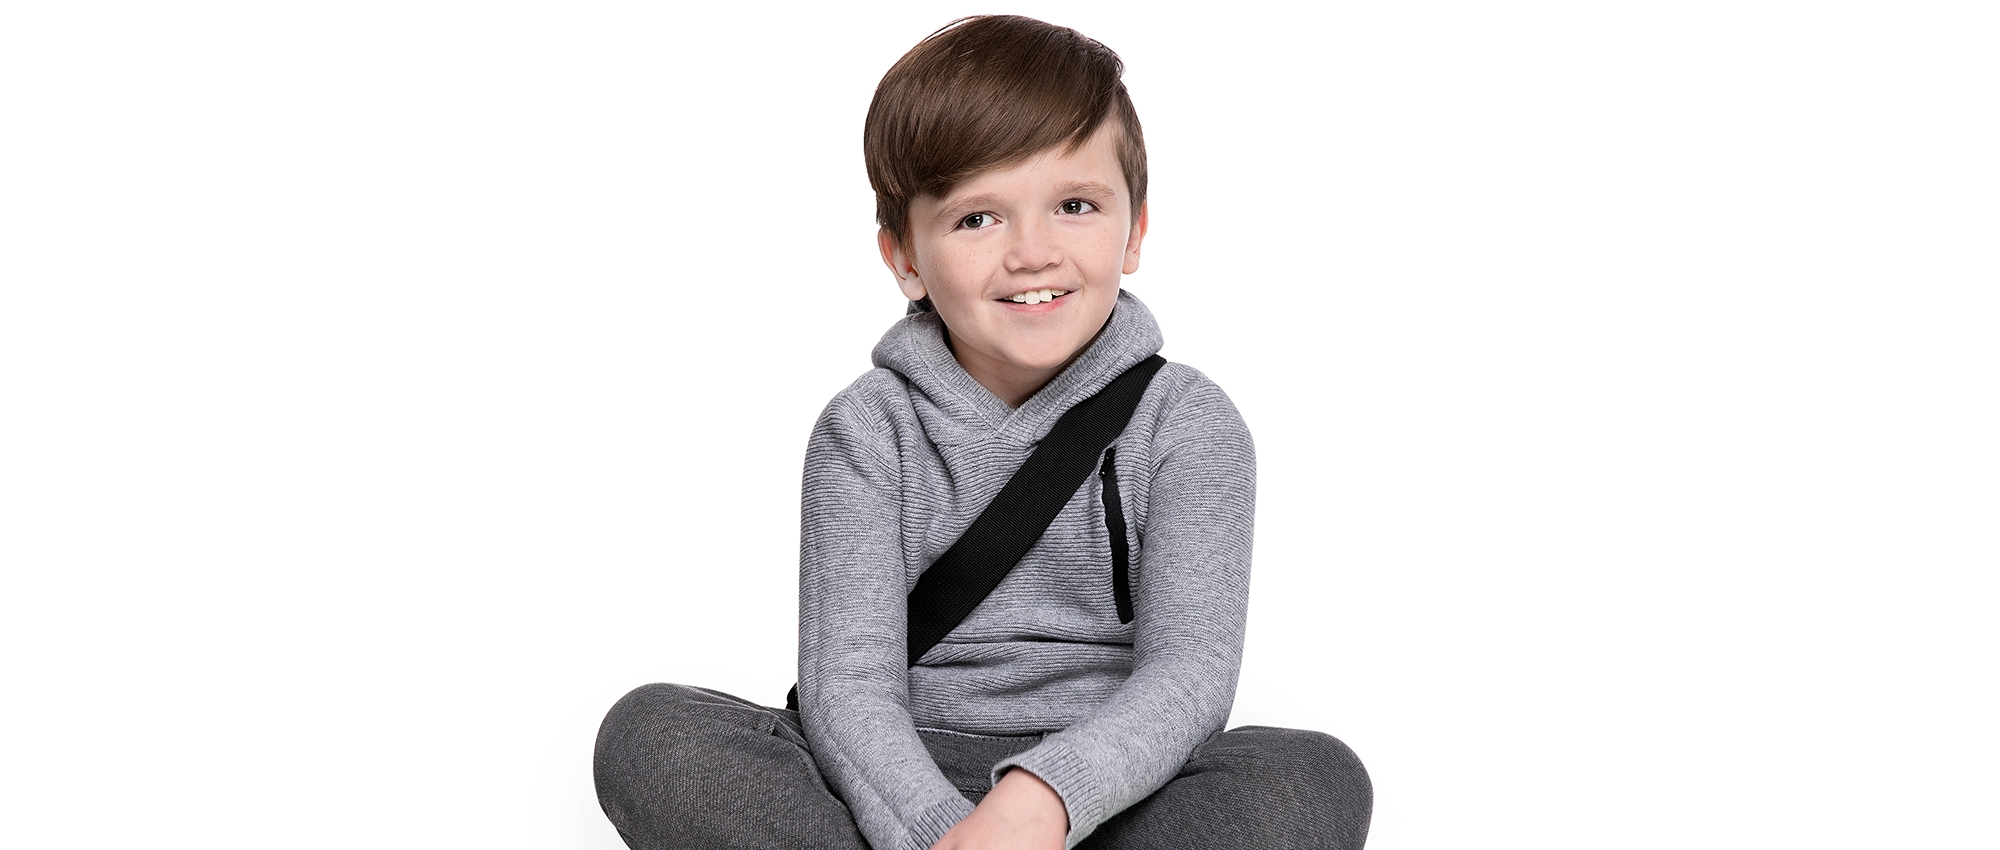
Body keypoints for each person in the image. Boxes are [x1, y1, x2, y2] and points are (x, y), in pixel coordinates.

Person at [594, 15, 1372, 850]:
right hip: (897, 783)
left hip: (1106, 791)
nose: (1032, 253)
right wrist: (944, 833)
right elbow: (849, 690)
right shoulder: (867, 429)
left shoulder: (1187, 422)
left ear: (1135, 231)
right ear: (904, 257)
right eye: (977, 220)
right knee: (652, 732)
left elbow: (1189, 676)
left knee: (1312, 774)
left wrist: (1044, 801)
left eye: (1075, 205)